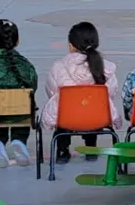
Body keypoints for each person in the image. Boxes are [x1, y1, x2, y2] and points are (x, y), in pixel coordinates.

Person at [43, 22, 121, 163]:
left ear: (71, 45)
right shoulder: (106, 68)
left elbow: (51, 91)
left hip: (67, 119)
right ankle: (91, 147)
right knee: (91, 107)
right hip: (97, 118)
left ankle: (63, 150)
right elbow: (111, 92)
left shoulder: (58, 67)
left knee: (62, 108)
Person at [0, 19, 38, 168]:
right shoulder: (24, 64)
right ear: (17, 41)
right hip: (20, 113)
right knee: (22, 106)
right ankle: (19, 140)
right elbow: (33, 87)